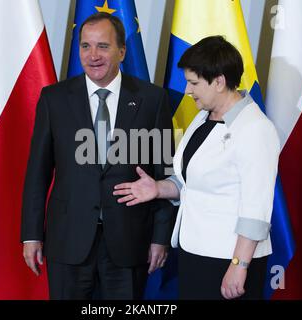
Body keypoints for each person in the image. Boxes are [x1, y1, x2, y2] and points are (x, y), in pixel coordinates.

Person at [21, 12, 174, 300]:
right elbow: (37, 174)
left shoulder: (153, 99)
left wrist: (160, 237)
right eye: (85, 46)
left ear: (122, 51)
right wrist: (31, 234)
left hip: (130, 241)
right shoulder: (54, 98)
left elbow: (163, 173)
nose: (93, 56)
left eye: (103, 46)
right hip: (68, 241)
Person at [114, 35, 280, 300]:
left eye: (193, 83)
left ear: (219, 82)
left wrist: (239, 266)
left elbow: (256, 209)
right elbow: (187, 182)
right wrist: (157, 188)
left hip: (229, 259)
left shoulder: (255, 129)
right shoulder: (203, 117)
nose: (188, 91)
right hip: (195, 251)